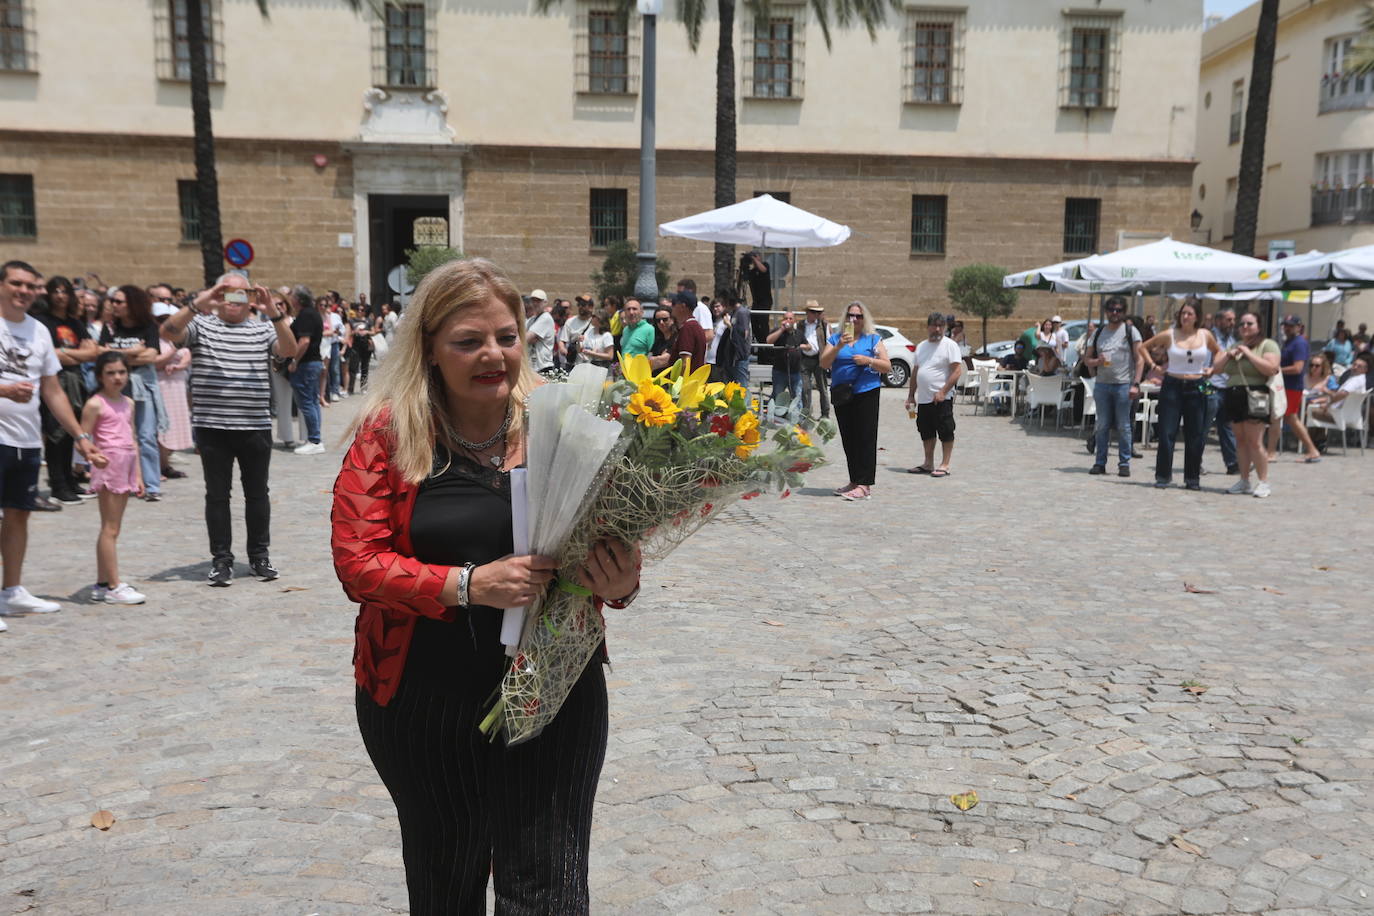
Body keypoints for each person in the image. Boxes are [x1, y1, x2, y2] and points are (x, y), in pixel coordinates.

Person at [332, 258, 641, 914]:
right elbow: (358, 562)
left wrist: (621, 579)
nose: (493, 355)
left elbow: (610, 542)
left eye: (506, 337)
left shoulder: (566, 419)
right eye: (468, 341)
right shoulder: (389, 431)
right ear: (429, 349)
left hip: (554, 686)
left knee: (550, 890)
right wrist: (469, 584)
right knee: (447, 880)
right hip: (425, 696)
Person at [161, 274, 296, 585]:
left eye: (240, 293)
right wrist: (199, 303)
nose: (233, 299)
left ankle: (259, 556)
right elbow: (167, 332)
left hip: (255, 426)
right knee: (217, 496)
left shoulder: (263, 328)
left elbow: (288, 350)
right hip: (213, 427)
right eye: (227, 292)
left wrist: (273, 312)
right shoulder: (200, 325)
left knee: (257, 494)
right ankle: (221, 559)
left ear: (251, 297)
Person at [0, 260, 107, 627]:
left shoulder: (39, 330)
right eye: (16, 283)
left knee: (19, 514)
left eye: (31, 286)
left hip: (26, 438)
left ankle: (11, 591)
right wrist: (4, 390)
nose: (24, 291)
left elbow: (53, 390)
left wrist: (81, 437)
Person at [82, 351, 147, 605]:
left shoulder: (128, 402)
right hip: (109, 466)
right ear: (100, 376)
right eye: (110, 373)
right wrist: (92, 458)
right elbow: (82, 439)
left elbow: (133, 438)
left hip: (126, 464)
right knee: (110, 528)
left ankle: (102, 583)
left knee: (112, 528)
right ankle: (113, 585)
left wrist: (138, 475)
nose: (117, 377)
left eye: (121, 372)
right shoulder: (95, 404)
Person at [1139, 298, 1219, 490]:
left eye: (1190, 313)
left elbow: (1219, 352)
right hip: (1173, 384)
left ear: (1197, 316)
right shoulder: (1170, 334)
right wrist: (1154, 366)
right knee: (1167, 432)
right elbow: (1142, 347)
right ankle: (1163, 476)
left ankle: (1192, 478)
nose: (1185, 317)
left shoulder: (1205, 335)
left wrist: (1213, 369)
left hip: (1196, 385)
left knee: (1195, 434)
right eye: (1183, 313)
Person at [99, 285, 168, 502]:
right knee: (121, 437)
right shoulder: (110, 327)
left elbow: (151, 356)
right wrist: (133, 351)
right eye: (113, 301)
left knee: (146, 436)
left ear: (132, 304)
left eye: (119, 302)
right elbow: (101, 355)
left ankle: (151, 485)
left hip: (143, 387)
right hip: (115, 388)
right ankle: (125, 481)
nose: (114, 305)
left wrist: (117, 354)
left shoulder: (148, 326)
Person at [820, 301, 890, 501]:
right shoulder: (835, 338)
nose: (854, 319)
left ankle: (864, 484)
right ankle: (854, 480)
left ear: (864, 319)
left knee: (865, 438)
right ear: (845, 318)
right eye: (851, 315)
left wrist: (869, 360)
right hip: (843, 393)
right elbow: (824, 363)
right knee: (849, 438)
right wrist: (840, 346)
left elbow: (887, 366)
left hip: (866, 392)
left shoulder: (873, 339)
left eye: (858, 316)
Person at [38, 275, 98, 505]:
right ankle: (58, 484)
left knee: (71, 433)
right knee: (56, 434)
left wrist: (65, 354)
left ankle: (69, 480)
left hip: (76, 381)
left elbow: (92, 352)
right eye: (56, 291)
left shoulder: (75, 322)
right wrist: (77, 354)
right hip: (55, 381)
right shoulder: (43, 322)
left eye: (64, 291)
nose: (60, 296)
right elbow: (49, 355)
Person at [1207, 311, 1280, 499]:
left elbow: (1271, 368)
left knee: (1255, 441)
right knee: (1240, 440)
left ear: (1259, 326)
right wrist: (1229, 355)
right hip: (1234, 393)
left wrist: (1248, 353)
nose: (1244, 327)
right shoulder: (1235, 345)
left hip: (1256, 394)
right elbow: (1217, 369)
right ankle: (1244, 479)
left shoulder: (1267, 345)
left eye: (1249, 323)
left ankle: (1263, 481)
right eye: (1242, 324)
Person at [1084, 296, 1145, 478]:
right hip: (1102, 384)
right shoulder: (1098, 332)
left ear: (1124, 312)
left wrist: (1136, 383)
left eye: (1118, 310)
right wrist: (1097, 361)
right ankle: (1100, 462)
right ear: (1106, 311)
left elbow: (1139, 359)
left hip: (1123, 385)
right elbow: (1087, 359)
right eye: (1111, 310)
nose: (1115, 313)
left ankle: (1124, 463)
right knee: (1102, 425)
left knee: (1124, 426)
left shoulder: (1130, 331)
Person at [904, 312, 963, 478]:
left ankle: (945, 464)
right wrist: (911, 395)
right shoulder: (922, 346)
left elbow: (957, 371)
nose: (937, 329)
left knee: (946, 429)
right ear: (928, 327)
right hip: (924, 398)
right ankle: (928, 463)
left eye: (940, 326)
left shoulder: (950, 345)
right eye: (934, 325)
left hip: (942, 398)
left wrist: (943, 391)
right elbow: (916, 372)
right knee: (926, 430)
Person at [1275, 315, 1323, 463]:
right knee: (1287, 418)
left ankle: (1312, 450)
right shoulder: (1289, 342)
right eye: (1285, 325)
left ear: (1299, 327)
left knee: (1290, 418)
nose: (1287, 328)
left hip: (1292, 386)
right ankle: (1311, 450)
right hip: (1285, 386)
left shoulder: (1299, 343)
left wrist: (1277, 370)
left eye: (1291, 325)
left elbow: (1298, 368)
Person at [152, 305, 193, 478]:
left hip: (177, 385)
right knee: (162, 426)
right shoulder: (154, 339)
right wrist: (174, 350)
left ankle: (165, 464)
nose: (165, 323)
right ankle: (159, 466)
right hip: (162, 384)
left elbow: (187, 355)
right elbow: (156, 362)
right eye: (161, 319)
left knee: (173, 425)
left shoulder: (177, 337)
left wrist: (179, 365)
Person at [286, 285, 326, 455]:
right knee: (312, 402)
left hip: (306, 364)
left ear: (298, 299)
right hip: (312, 363)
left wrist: (295, 360)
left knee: (307, 403)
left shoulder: (306, 315)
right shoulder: (312, 313)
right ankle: (314, 438)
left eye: (292, 296)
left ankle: (315, 440)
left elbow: (304, 341)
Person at [1202, 307, 1240, 475]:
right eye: (1228, 319)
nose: (1232, 323)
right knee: (1203, 427)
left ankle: (1232, 463)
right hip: (1210, 387)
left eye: (1233, 320)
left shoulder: (1231, 339)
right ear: (1218, 321)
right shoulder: (1210, 337)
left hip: (1227, 388)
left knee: (1226, 427)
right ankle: (1195, 462)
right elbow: (1204, 363)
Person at [1308, 350, 1371, 426]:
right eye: (1354, 364)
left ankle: (1306, 433)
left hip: (1338, 416)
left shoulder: (1355, 381)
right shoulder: (1361, 379)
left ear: (1365, 370)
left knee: (1309, 412)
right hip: (1349, 416)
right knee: (1315, 409)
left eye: (1359, 366)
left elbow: (1343, 394)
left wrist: (1328, 403)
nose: (1355, 367)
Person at [798, 302, 830, 418]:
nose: (815, 314)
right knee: (805, 388)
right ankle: (807, 415)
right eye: (813, 312)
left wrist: (828, 359)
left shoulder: (823, 325)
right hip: (804, 359)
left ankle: (825, 414)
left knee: (822, 388)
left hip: (819, 358)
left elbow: (829, 341)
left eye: (817, 312)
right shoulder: (800, 325)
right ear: (807, 312)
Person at [765, 309, 803, 403]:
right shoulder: (778, 331)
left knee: (797, 398)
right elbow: (769, 341)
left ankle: (797, 412)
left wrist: (802, 346)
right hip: (780, 372)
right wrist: (782, 329)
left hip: (795, 372)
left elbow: (808, 346)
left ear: (794, 321)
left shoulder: (798, 333)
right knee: (778, 397)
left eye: (790, 318)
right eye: (786, 318)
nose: (788, 321)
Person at [669, 292, 707, 371]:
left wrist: (680, 378)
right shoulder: (696, 326)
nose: (671, 307)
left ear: (682, 306)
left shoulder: (688, 328)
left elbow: (685, 362)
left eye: (674, 304)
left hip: (687, 378)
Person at [524, 289, 557, 376]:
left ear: (545, 302)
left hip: (543, 367)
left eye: (538, 301)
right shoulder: (532, 319)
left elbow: (526, 338)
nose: (535, 303)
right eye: (533, 300)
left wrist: (529, 337)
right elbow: (521, 336)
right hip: (533, 366)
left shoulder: (545, 318)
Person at [729, 294, 753, 386]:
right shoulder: (735, 312)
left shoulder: (742, 312)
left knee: (742, 383)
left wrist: (730, 326)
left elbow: (744, 333)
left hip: (741, 353)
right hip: (734, 354)